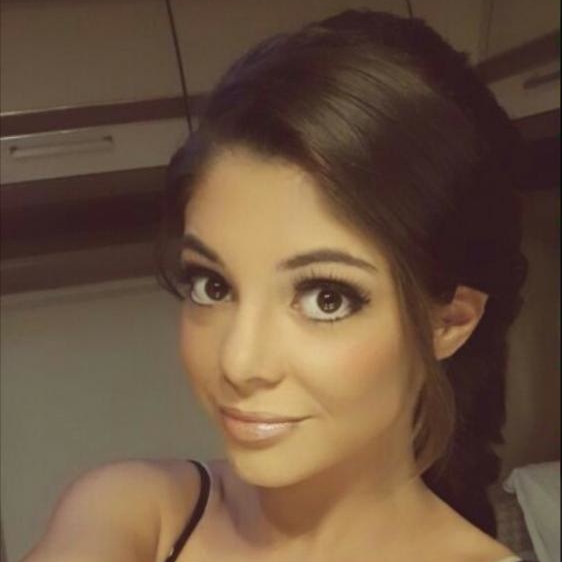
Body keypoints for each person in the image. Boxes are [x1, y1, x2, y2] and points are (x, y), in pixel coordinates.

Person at [23, 9, 531, 562]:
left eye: (325, 299)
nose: (239, 363)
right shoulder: (134, 512)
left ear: (448, 323)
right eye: (212, 286)